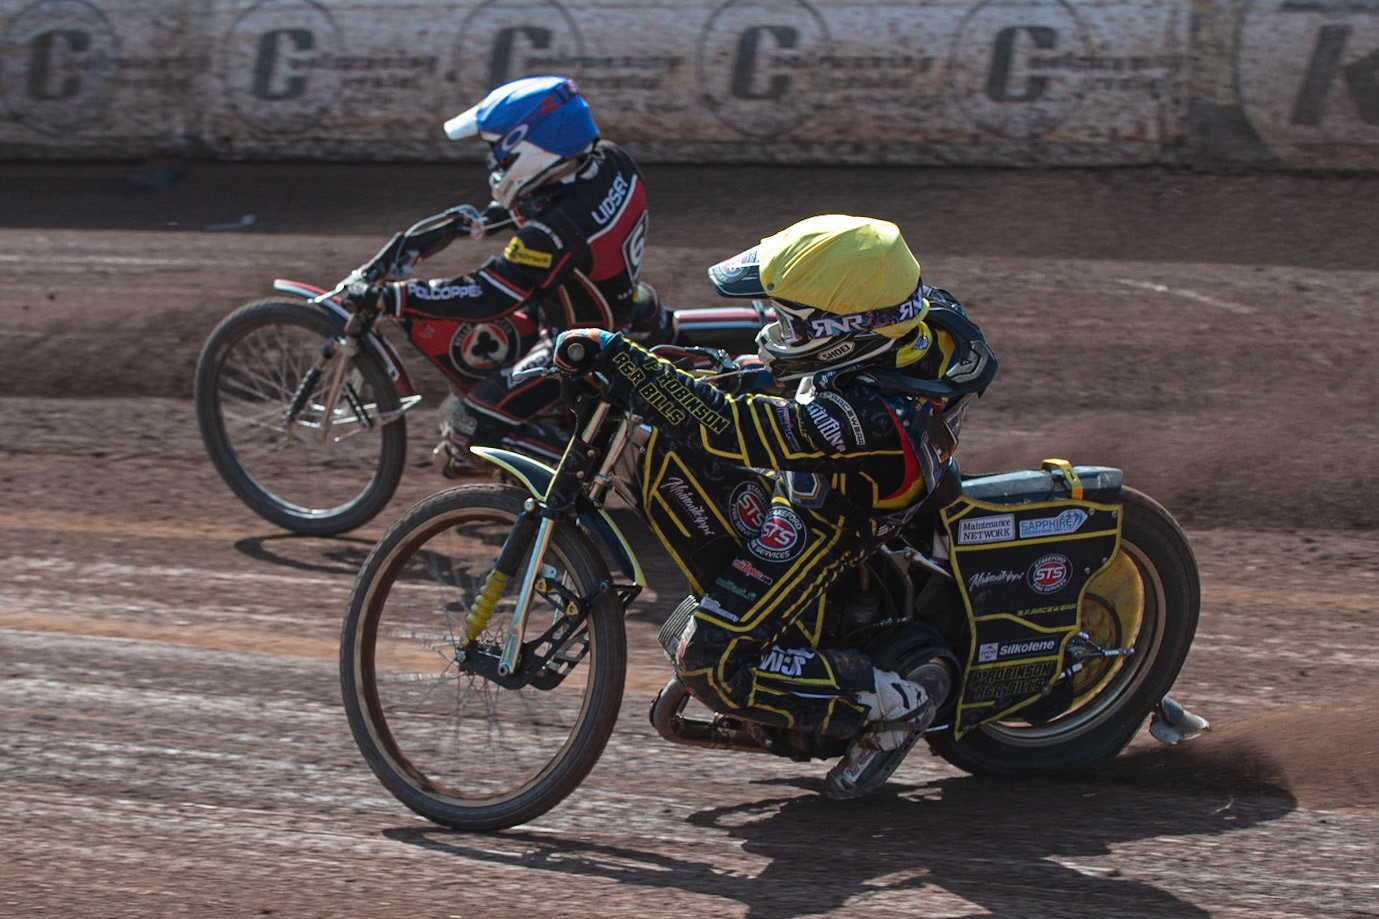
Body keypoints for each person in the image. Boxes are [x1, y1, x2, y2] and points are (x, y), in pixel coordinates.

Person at [552, 214, 997, 799]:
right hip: (858, 469)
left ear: (844, 331)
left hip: (831, 521)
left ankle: (895, 700)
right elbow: (806, 375)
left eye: (790, 320)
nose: (774, 327)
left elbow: (730, 428)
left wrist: (624, 359)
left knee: (707, 660)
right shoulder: (911, 314)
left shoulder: (864, 417)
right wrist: (736, 370)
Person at [345, 75, 669, 475]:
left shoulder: (551, 232)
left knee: (469, 428)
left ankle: (602, 466)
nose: (493, 161)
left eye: (497, 149)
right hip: (616, 302)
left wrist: (394, 297)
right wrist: (473, 223)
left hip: (577, 346)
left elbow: (487, 295)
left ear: (530, 146)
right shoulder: (611, 161)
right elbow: (552, 205)